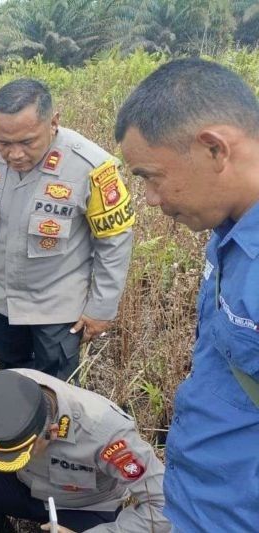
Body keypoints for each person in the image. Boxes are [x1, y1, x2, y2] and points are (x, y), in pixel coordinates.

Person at [115, 58, 259, 532]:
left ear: (214, 148)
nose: (151, 199)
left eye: (151, 176)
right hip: (201, 505)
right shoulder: (227, 232)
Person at [0, 79, 134, 381]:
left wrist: (101, 307)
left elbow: (114, 241)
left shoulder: (91, 166)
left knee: (58, 388)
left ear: (53, 122)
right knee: (11, 377)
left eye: (28, 142)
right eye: (5, 142)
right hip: (0, 297)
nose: (15, 154)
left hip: (57, 305)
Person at [0, 369, 169, 533]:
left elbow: (164, 504)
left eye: (18, 455)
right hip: (23, 486)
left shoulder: (107, 434)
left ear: (52, 432)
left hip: (83, 507)